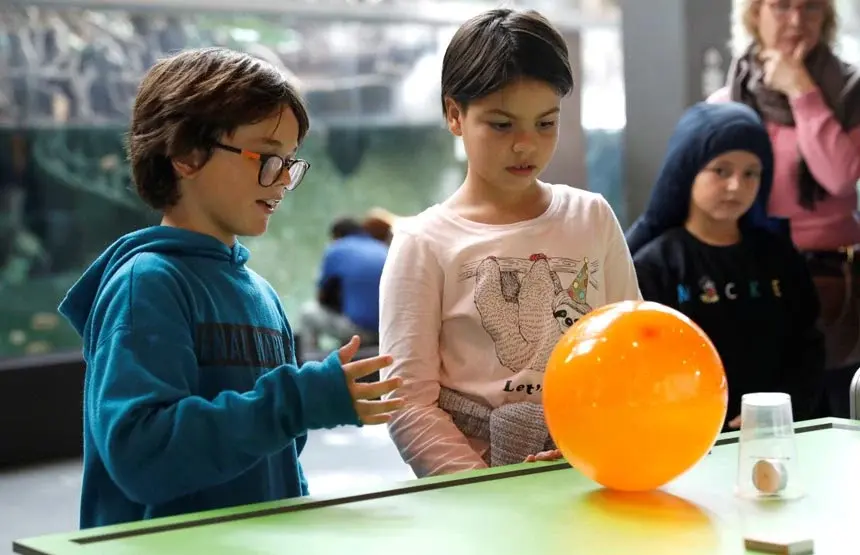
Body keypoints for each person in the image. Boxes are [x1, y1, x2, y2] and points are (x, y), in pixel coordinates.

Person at [56, 47, 402, 529]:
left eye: (290, 162)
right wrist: (296, 400)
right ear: (186, 154)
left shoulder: (261, 294)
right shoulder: (147, 284)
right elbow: (143, 456)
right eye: (266, 157)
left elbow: (279, 461)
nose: (282, 179)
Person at [378, 9, 641, 479]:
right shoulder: (423, 243)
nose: (526, 146)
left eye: (546, 123)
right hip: (475, 485)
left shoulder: (592, 216)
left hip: (589, 466)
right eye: (501, 125)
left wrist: (595, 447)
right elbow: (407, 402)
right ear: (454, 114)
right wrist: (484, 487)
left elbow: (631, 353)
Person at [626, 101, 825, 429]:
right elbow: (647, 367)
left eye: (751, 173)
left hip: (777, 433)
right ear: (687, 170)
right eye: (721, 170)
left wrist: (777, 411)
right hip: (690, 439)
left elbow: (808, 346)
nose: (737, 185)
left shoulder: (780, 257)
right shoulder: (655, 267)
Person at [709, 0, 860, 417]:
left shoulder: (850, 92)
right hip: (756, 276)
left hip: (833, 282)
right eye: (782, 6)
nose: (797, 20)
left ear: (827, 18)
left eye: (811, 8)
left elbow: (839, 177)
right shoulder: (728, 99)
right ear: (754, 14)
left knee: (833, 412)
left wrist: (802, 91)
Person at [299, 216, 388, 356]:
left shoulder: (336, 248)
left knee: (307, 313)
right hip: (386, 331)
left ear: (337, 235)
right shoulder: (382, 248)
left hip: (358, 331)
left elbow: (322, 297)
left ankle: (309, 363)